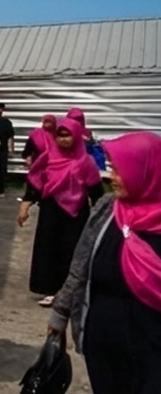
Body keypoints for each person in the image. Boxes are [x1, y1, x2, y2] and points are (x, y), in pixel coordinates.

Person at [47, 132, 161, 394]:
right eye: (112, 169)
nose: (113, 179)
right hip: (103, 342)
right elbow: (81, 262)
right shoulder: (109, 207)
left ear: (147, 172)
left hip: (152, 345)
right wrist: (60, 313)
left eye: (121, 171)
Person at [18, 118, 103, 307]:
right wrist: (25, 205)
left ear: (76, 136)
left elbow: (96, 190)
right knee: (48, 249)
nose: (63, 140)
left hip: (76, 212)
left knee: (70, 251)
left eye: (68, 135)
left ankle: (69, 291)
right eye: (60, 135)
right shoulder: (49, 157)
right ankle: (51, 289)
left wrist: (100, 217)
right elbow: (36, 182)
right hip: (50, 209)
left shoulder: (85, 161)